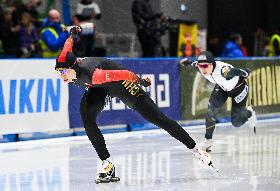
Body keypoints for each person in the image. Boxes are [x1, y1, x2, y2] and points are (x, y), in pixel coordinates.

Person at [55, 26, 214, 182]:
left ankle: (196, 149)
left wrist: (141, 81)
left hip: (120, 83)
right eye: (58, 72)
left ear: (74, 67)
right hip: (98, 88)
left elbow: (124, 74)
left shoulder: (95, 75)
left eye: (64, 72)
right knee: (87, 118)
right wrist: (72, 34)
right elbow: (68, 46)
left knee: (158, 118)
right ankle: (107, 164)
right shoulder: (67, 61)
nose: (62, 76)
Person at [180, 51, 257, 152]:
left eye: (205, 66)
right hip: (222, 88)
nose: (202, 68)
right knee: (210, 112)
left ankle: (249, 112)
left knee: (236, 123)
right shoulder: (201, 66)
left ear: (212, 64)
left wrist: (245, 72)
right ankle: (208, 141)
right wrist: (187, 62)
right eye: (200, 66)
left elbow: (235, 71)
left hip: (239, 89)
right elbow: (194, 63)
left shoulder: (223, 71)